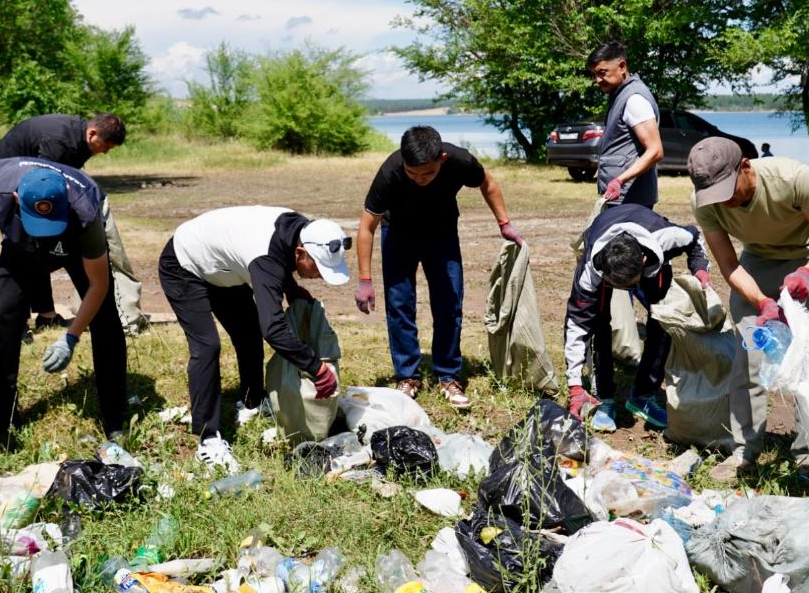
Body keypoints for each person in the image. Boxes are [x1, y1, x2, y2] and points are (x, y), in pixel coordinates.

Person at [0, 158, 128, 442]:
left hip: (73, 246)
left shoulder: (84, 210)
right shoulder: (1, 185)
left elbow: (98, 285)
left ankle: (114, 421)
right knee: (3, 322)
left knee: (105, 320)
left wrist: (70, 337)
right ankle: (4, 417)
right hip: (19, 248)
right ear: (15, 198)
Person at [687, 137, 809, 481]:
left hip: (807, 257)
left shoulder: (794, 179)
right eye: (715, 196)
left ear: (745, 165)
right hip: (755, 262)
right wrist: (762, 302)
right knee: (749, 358)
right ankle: (744, 452)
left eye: (729, 190)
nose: (725, 202)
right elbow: (728, 263)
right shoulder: (705, 202)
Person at [158, 206, 348, 472]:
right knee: (207, 346)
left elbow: (278, 262)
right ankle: (207, 439)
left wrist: (291, 289)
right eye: (318, 268)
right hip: (184, 264)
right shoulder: (266, 259)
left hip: (222, 267)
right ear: (301, 253)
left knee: (248, 331)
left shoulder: (299, 229)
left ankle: (252, 401)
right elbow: (274, 329)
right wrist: (316, 367)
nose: (320, 275)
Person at [354, 125, 523, 410]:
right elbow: (366, 226)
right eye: (413, 173)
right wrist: (365, 279)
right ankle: (407, 376)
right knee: (400, 305)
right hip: (398, 234)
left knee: (449, 303)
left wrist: (504, 223)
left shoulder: (458, 160)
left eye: (428, 173)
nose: (420, 179)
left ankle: (448, 375)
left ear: (441, 158)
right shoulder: (391, 171)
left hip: (442, 235)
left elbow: (488, 183)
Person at [0, 113, 146, 336]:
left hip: (35, 183)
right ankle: (16, 321)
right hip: (9, 181)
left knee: (45, 243)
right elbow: (45, 181)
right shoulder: (59, 142)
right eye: (106, 145)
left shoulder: (81, 141)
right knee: (28, 247)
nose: (106, 151)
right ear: (92, 133)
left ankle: (46, 315)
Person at [564, 204, 711, 431]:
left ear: (642, 262)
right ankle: (604, 399)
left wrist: (700, 269)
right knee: (598, 324)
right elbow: (576, 324)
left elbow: (694, 237)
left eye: (628, 285)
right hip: (607, 234)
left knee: (662, 320)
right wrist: (574, 384)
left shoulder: (667, 237)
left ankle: (643, 395)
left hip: (653, 259)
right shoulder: (592, 270)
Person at [586, 41, 663, 208]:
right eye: (594, 75)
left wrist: (620, 180)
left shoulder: (634, 99)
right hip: (620, 198)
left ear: (621, 66)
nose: (598, 80)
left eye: (602, 73)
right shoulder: (620, 95)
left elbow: (655, 151)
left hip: (631, 200)